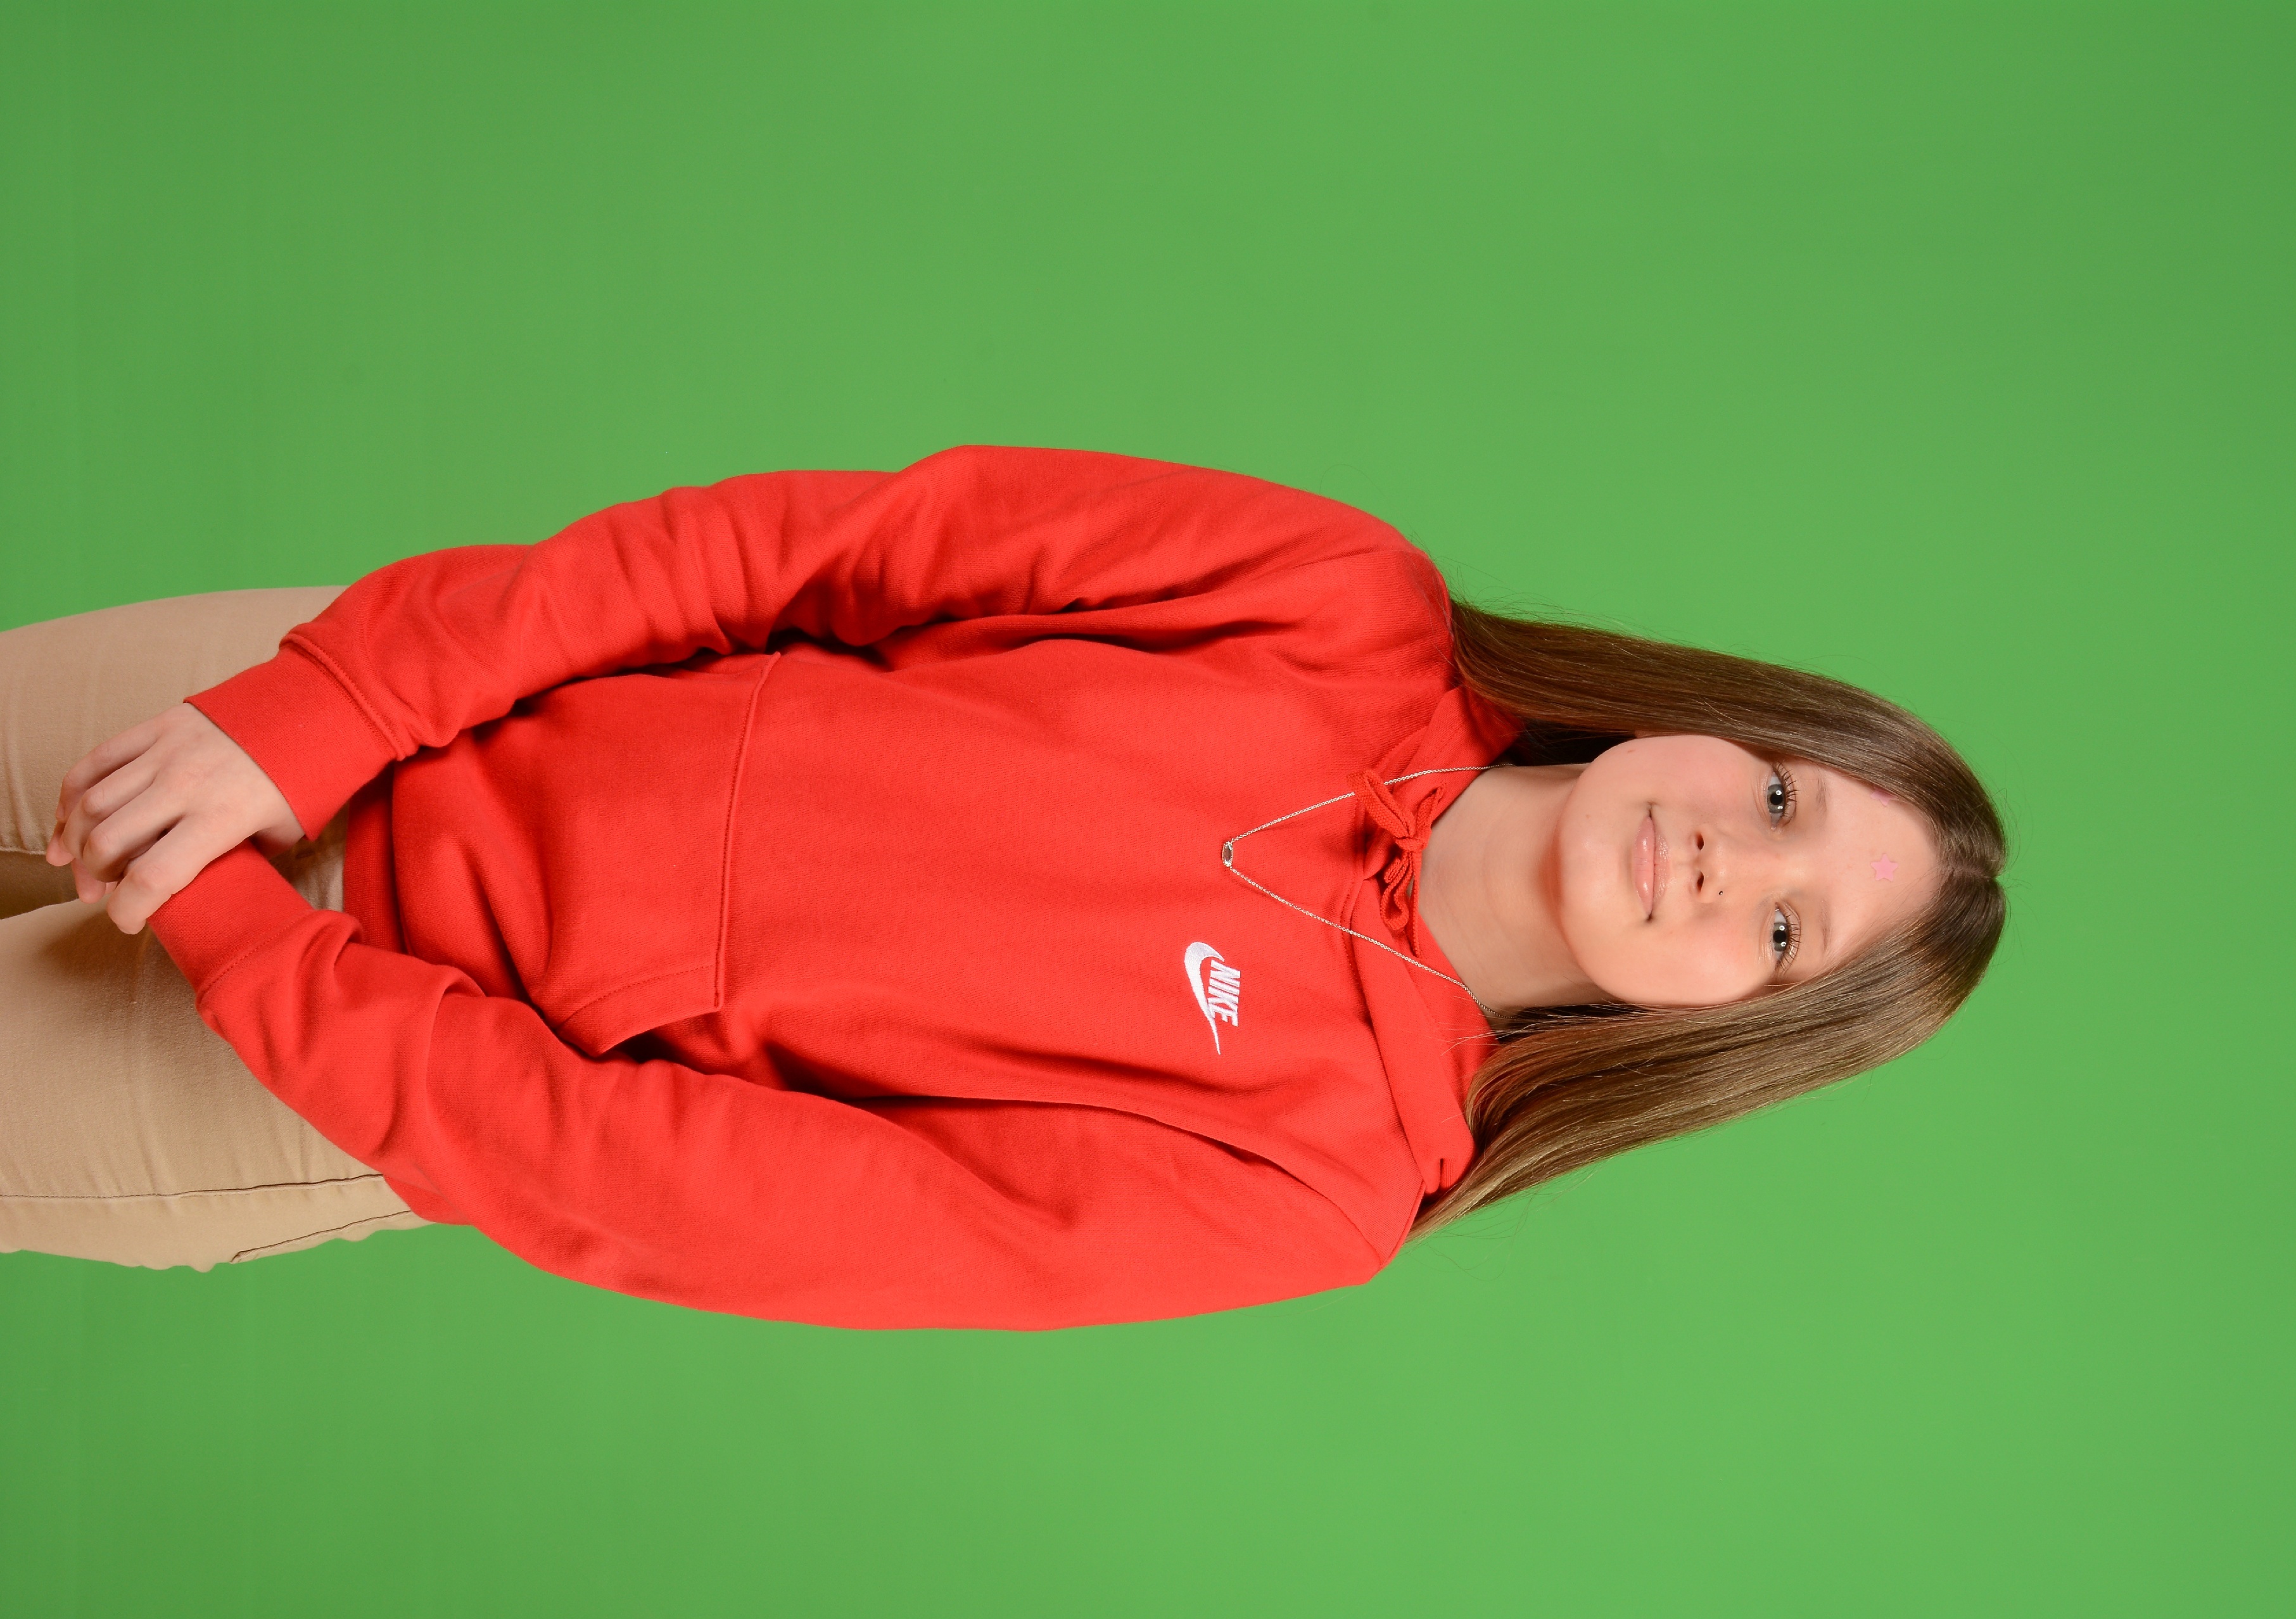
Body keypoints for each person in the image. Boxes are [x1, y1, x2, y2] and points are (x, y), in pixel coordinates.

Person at [0, 447, 2006, 1328]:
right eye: (1775, 793)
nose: (1723, 858)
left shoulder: (1318, 1180)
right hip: (340, 704)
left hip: (306, 1055)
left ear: (1722, 1035)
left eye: (1780, 931)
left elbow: (691, 1195)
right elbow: (801, 550)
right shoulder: (1338, 598)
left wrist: (247, 932)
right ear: (1710, 718)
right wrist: (326, 707)